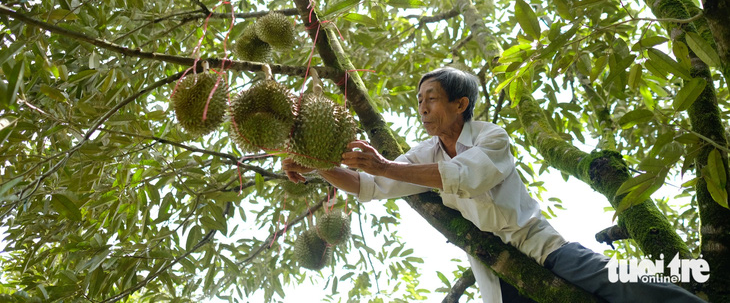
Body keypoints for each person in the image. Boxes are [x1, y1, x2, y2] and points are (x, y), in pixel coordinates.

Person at [283, 67, 706, 302]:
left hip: (542, 250)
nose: (423, 108)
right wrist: (316, 162)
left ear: (460, 104)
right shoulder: (424, 153)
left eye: (431, 98)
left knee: (628, 286)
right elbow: (369, 186)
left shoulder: (491, 137)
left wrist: (386, 166)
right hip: (496, 279)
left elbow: (466, 176)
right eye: (419, 101)